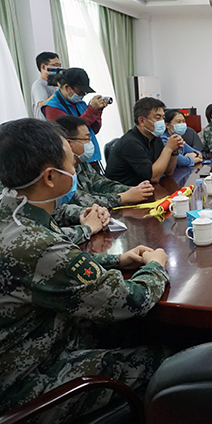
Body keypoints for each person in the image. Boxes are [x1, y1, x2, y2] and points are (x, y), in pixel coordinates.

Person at [0, 118, 170, 422]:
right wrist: (156, 265)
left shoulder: (14, 212)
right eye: (71, 162)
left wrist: (116, 260)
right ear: (50, 176)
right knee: (168, 360)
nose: (76, 167)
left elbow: (48, 269)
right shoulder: (36, 244)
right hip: (29, 384)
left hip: (33, 345)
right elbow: (131, 300)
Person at [56, 115, 155, 208]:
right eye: (86, 139)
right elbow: (82, 201)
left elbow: (102, 184)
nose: (90, 143)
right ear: (68, 143)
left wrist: (133, 190)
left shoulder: (81, 163)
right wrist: (123, 197)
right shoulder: (58, 171)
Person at [106, 97, 185, 186]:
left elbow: (168, 172)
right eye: (158, 118)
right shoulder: (130, 143)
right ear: (142, 121)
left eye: (163, 118)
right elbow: (153, 177)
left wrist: (174, 151)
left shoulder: (155, 138)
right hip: (122, 190)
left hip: (143, 188)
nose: (162, 122)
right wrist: (168, 148)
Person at [42, 68, 108, 172]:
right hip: (74, 162)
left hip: (92, 159)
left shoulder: (80, 103)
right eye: (80, 92)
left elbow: (94, 129)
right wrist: (91, 110)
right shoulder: (52, 107)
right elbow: (68, 131)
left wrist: (98, 111)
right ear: (67, 87)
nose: (83, 95)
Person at [30, 52, 61, 120]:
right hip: (45, 124)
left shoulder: (56, 84)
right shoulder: (39, 84)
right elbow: (42, 105)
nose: (58, 68)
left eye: (59, 65)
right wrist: (59, 91)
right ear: (43, 67)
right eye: (55, 65)